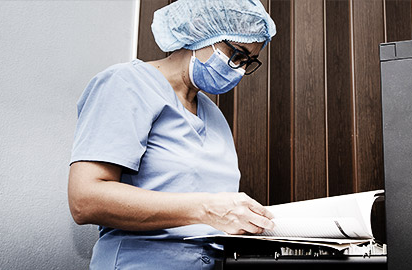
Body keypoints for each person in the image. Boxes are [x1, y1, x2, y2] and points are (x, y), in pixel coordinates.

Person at [67, 0, 276, 269]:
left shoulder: (214, 116)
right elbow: (85, 200)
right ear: (202, 29)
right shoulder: (127, 84)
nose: (238, 69)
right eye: (236, 53)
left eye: (248, 61)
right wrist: (206, 209)